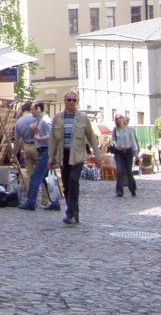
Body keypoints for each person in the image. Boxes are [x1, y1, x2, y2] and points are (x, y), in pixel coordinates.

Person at [49, 91, 100, 225]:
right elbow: (53, 139)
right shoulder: (58, 118)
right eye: (69, 100)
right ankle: (73, 211)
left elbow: (91, 138)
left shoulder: (83, 118)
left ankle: (70, 213)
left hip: (77, 155)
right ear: (64, 101)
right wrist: (51, 156)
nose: (72, 102)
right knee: (66, 185)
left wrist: (98, 155)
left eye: (74, 100)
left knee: (73, 181)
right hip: (63, 155)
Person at [18, 102, 53, 210]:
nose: (31, 111)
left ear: (38, 109)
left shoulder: (45, 120)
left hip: (45, 151)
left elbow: (52, 135)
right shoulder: (38, 120)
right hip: (41, 150)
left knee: (36, 177)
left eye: (33, 109)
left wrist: (39, 139)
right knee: (45, 178)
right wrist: (33, 131)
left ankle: (31, 202)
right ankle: (53, 201)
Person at [110, 114, 138, 197]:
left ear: (123, 119)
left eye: (120, 118)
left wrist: (136, 154)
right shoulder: (115, 130)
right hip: (119, 151)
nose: (119, 119)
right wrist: (114, 144)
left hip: (128, 151)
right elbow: (112, 140)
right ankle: (119, 191)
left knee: (129, 171)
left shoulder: (130, 129)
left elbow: (133, 142)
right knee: (120, 170)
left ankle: (132, 189)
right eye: (117, 118)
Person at [12, 102, 37, 186]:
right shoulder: (36, 118)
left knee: (29, 172)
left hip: (26, 147)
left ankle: (30, 193)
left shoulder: (18, 122)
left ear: (23, 110)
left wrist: (14, 155)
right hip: (38, 146)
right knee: (41, 172)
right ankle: (45, 197)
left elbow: (17, 142)